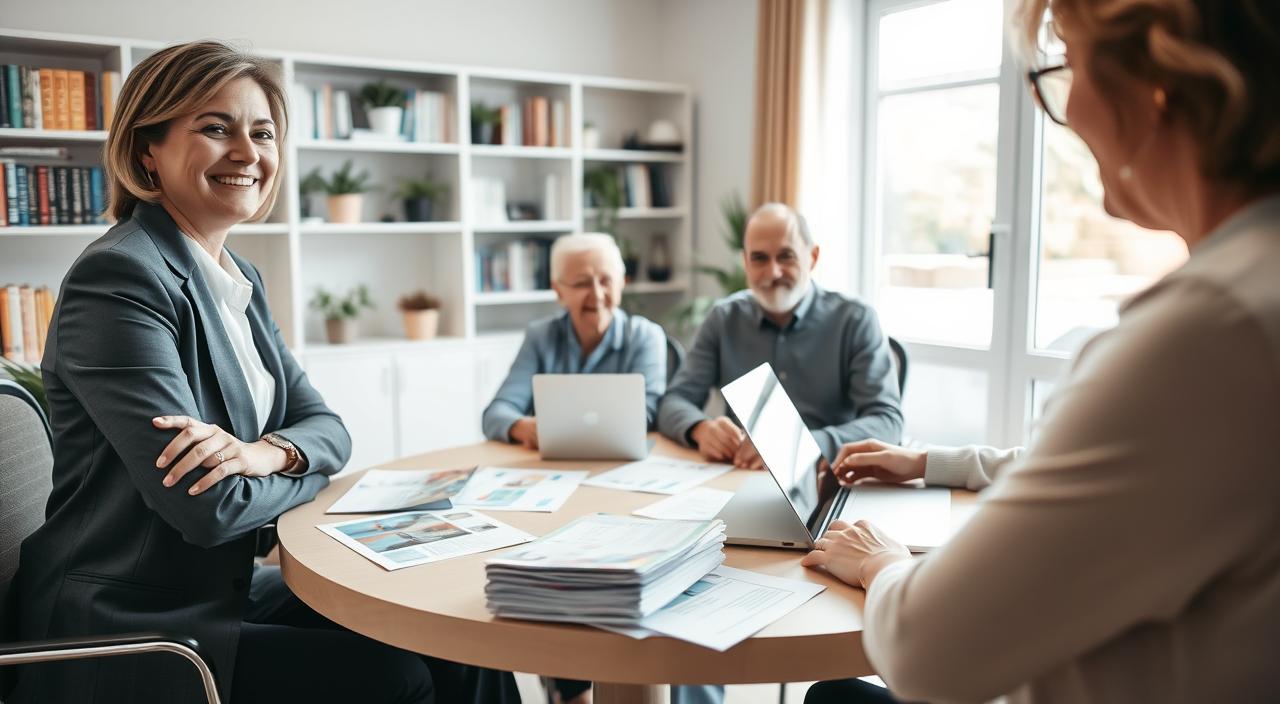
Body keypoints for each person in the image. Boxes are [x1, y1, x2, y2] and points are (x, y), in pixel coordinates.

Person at [8, 41, 515, 704]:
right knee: (396, 679)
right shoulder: (122, 278)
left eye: (263, 132)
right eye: (216, 129)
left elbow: (328, 428)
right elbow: (209, 509)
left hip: (217, 590)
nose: (248, 153)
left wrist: (263, 454)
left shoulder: (237, 276)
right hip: (129, 625)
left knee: (461, 637)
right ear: (146, 152)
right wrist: (308, 476)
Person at [801, 1, 1280, 701]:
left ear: (1158, 81)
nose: (1063, 108)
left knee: (835, 694)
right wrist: (932, 461)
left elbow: (924, 648)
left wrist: (885, 564)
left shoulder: (1209, 334)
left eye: (1064, 67)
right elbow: (1123, 469)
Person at [657, 203, 902, 469]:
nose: (773, 272)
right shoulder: (723, 319)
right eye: (759, 258)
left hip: (825, 475)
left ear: (813, 257)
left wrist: (803, 446)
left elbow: (887, 421)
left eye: (786, 256)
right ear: (745, 262)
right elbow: (674, 401)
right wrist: (700, 429)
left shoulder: (855, 320)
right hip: (741, 474)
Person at [482, 232, 667, 449]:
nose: (597, 294)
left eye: (606, 281)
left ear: (621, 284)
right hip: (552, 467)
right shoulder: (540, 336)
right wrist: (524, 427)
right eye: (582, 283)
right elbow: (496, 413)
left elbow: (646, 416)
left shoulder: (645, 336)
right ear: (558, 291)